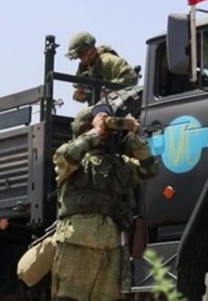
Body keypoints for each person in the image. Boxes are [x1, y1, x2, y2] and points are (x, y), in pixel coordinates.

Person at [51, 105, 157, 301]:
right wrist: (95, 133)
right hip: (76, 245)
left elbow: (149, 170)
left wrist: (136, 139)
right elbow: (66, 158)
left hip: (111, 248)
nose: (107, 132)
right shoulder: (70, 156)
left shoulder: (120, 163)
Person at [65, 31, 139, 104]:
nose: (81, 59)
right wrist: (83, 94)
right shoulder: (84, 67)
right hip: (99, 106)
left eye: (82, 55)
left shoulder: (109, 60)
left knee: (81, 115)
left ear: (90, 51)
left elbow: (131, 77)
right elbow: (80, 93)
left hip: (115, 104)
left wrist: (108, 88)